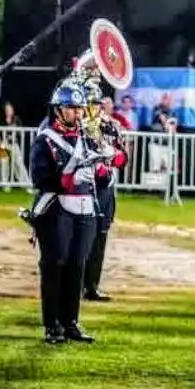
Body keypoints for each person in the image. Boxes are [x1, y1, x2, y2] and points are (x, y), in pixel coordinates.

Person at [26, 79, 108, 344]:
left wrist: (101, 170)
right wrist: (67, 178)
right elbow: (39, 178)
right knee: (54, 265)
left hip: (84, 209)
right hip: (55, 209)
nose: (78, 113)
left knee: (76, 266)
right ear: (58, 110)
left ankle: (70, 322)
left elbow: (102, 179)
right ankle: (52, 325)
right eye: (71, 108)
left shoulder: (87, 137)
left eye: (80, 108)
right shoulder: (46, 139)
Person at [82, 92, 130, 302]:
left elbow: (123, 155)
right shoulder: (79, 127)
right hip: (83, 188)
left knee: (100, 238)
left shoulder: (111, 126)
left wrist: (114, 158)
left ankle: (92, 285)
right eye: (90, 104)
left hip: (104, 189)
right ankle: (76, 284)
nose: (95, 108)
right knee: (80, 238)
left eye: (97, 104)